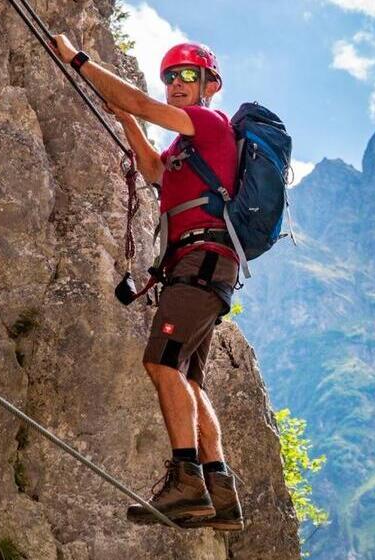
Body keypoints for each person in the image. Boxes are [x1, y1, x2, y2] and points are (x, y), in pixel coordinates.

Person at [52, 34, 244, 531]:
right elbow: (155, 170)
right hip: (201, 267)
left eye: (185, 76)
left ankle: (186, 481)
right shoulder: (184, 148)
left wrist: (77, 58)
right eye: (169, 77)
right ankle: (219, 492)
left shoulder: (209, 123)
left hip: (200, 262)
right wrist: (127, 121)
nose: (175, 84)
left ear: (208, 85)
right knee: (189, 378)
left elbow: (139, 100)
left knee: (160, 362)